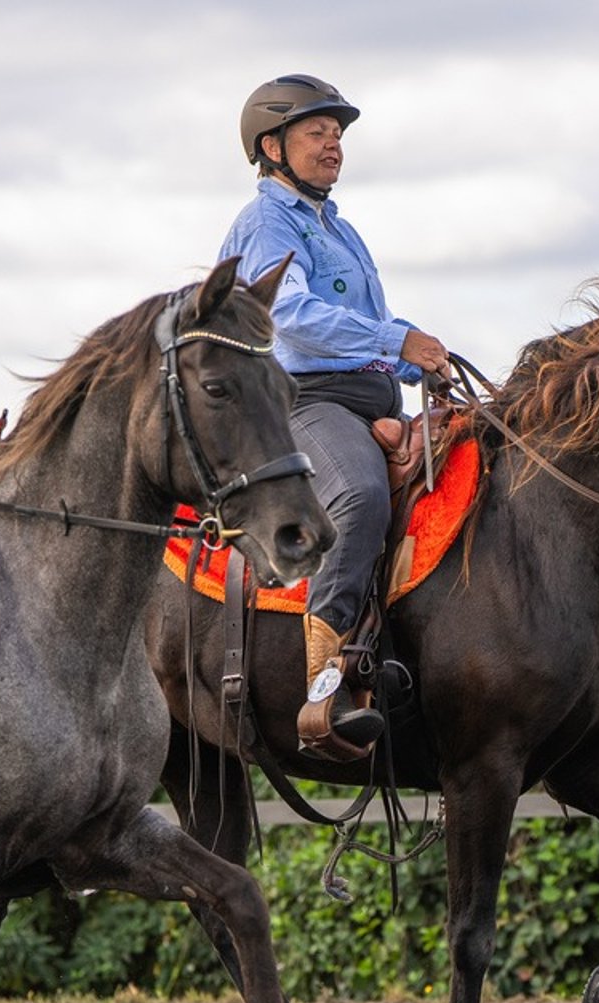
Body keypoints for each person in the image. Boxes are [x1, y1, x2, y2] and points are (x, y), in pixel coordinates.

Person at [220, 74, 452, 762]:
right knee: (359, 496)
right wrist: (394, 342)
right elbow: (286, 314)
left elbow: (370, 327)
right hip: (306, 404)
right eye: (318, 132)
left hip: (372, 398)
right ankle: (323, 683)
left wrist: (421, 359)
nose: (334, 145)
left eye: (339, 134)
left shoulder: (337, 228)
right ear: (272, 145)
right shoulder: (265, 224)